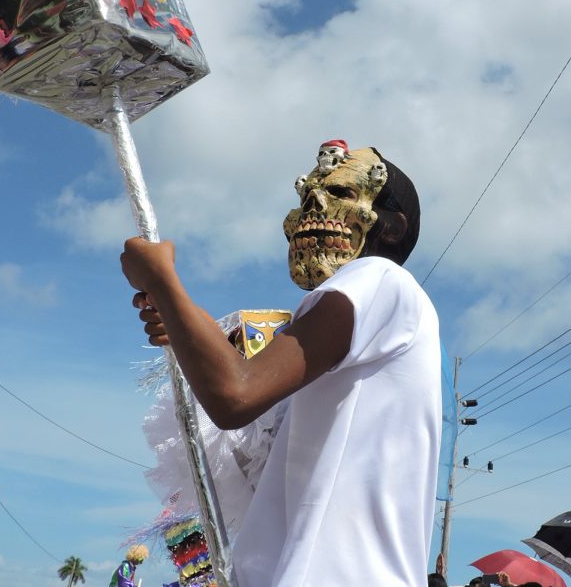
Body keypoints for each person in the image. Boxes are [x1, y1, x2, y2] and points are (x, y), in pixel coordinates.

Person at [121, 141, 441, 586]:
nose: (311, 208)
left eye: (341, 194)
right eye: (305, 194)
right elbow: (247, 457)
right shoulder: (355, 330)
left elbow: (235, 395)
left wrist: (162, 279)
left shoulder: (382, 279)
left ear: (391, 227)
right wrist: (180, 321)